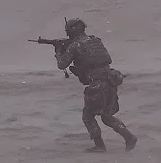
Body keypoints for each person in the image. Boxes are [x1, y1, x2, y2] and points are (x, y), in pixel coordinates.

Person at [51, 18, 137, 153]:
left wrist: (58, 51)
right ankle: (129, 137)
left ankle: (100, 146)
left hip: (97, 84)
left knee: (88, 115)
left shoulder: (75, 46)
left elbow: (62, 65)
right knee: (107, 116)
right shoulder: (95, 40)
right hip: (111, 80)